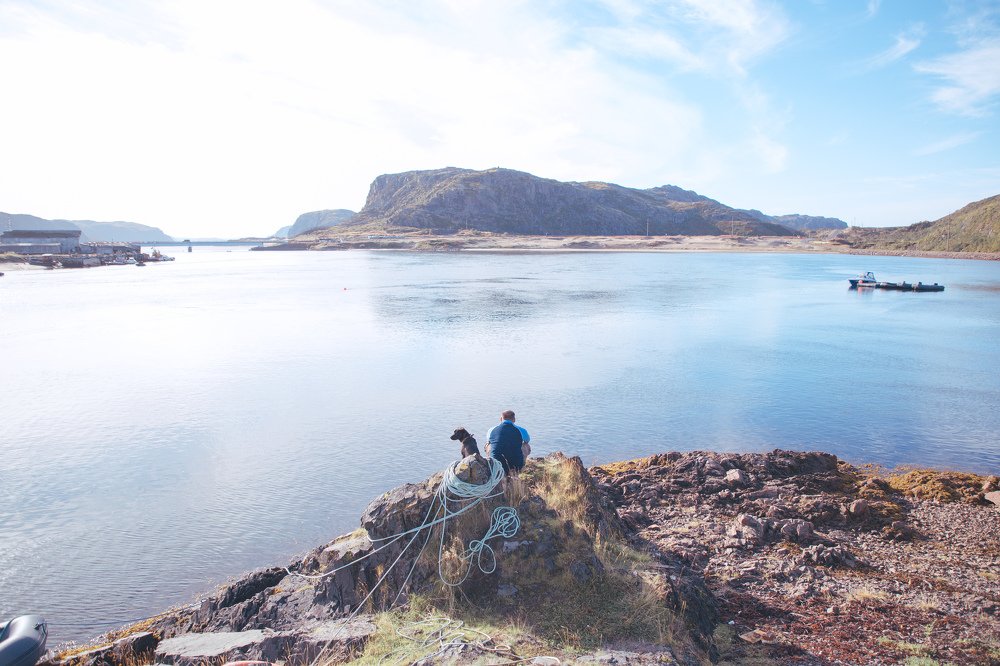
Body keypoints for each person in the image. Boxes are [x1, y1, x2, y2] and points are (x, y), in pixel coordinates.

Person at [487, 410, 529, 475]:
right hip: (516, 465)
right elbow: (527, 440)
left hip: (496, 464)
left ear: (501, 419)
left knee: (489, 444)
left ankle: (489, 460)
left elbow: (489, 441)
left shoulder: (491, 430)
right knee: (526, 445)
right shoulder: (521, 430)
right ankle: (522, 465)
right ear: (514, 419)